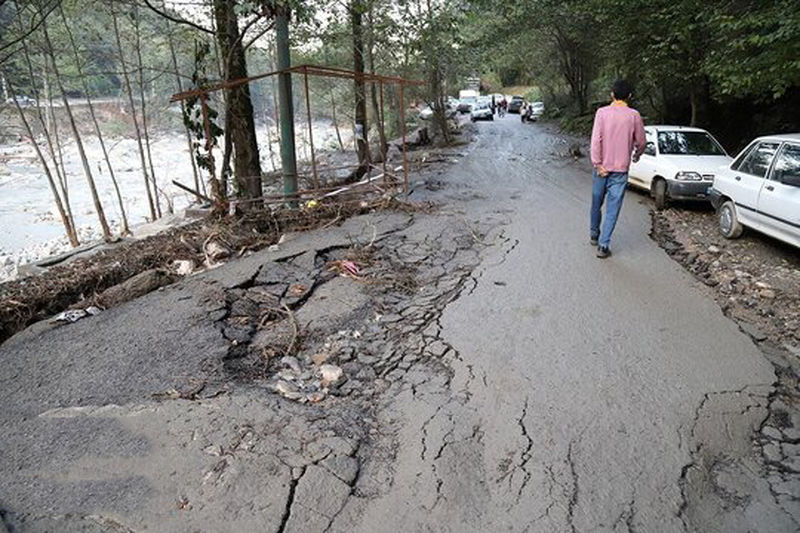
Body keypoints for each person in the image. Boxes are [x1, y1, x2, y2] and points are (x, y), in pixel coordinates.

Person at [589, 79, 646, 258]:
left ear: (612, 94)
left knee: (596, 203)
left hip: (601, 169)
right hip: (620, 170)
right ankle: (603, 245)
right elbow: (642, 142)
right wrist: (636, 155)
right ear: (630, 96)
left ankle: (594, 234)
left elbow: (595, 140)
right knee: (613, 208)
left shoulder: (601, 113)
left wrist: (597, 164)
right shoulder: (634, 115)